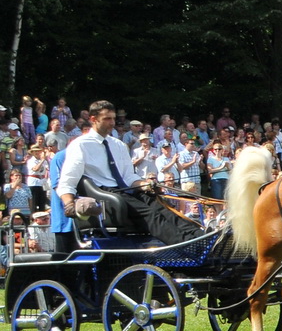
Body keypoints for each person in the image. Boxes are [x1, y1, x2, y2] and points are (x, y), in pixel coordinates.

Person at [56, 101, 203, 245]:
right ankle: (189, 245)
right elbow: (68, 180)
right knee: (150, 214)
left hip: (126, 190)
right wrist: (69, 203)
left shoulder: (118, 145)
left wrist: (145, 184)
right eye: (107, 119)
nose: (112, 122)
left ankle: (201, 238)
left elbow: (129, 177)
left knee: (162, 208)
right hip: (106, 195)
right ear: (93, 119)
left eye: (113, 118)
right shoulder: (80, 145)